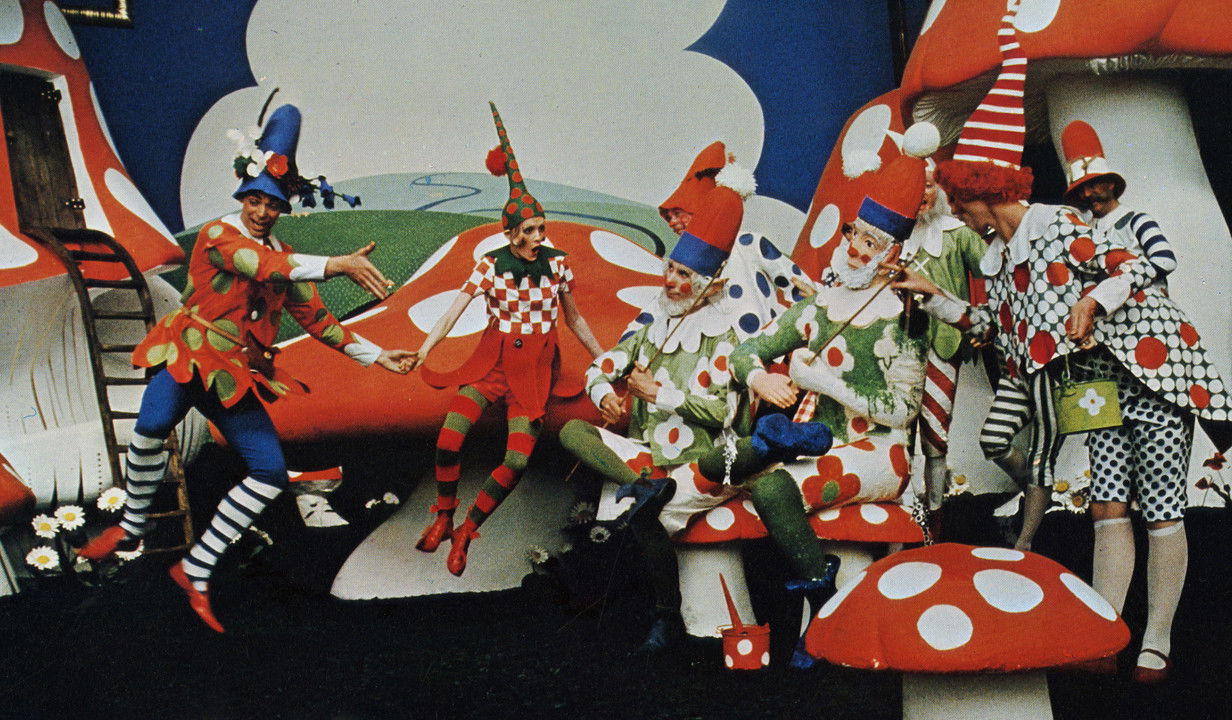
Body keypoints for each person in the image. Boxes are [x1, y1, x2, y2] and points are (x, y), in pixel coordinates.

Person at [889, 10, 1232, 683]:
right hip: (1090, 386)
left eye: (961, 202)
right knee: (1107, 506)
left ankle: (1156, 639)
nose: (957, 213)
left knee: (1160, 507)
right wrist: (929, 293)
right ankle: (1105, 631)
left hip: (1152, 373)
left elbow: (1135, 266)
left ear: (985, 190)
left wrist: (1092, 300)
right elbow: (992, 328)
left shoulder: (1062, 224)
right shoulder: (1001, 259)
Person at [77, 104, 417, 632]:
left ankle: (196, 569)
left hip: (232, 373)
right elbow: (259, 265)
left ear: (283, 208)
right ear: (242, 196)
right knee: (149, 427)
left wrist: (378, 356)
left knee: (270, 474)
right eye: (255, 200)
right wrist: (337, 264)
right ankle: (131, 526)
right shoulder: (219, 236)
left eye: (272, 204)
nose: (262, 211)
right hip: (190, 352)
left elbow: (318, 320)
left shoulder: (283, 252)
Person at [727, 154, 930, 668]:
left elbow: (903, 410)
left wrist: (824, 382)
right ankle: (824, 595)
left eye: (871, 243)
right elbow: (746, 350)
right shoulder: (820, 305)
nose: (856, 248)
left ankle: (825, 610)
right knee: (763, 484)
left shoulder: (905, 316)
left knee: (774, 488)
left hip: (879, 451)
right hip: (826, 446)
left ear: (893, 253)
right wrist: (761, 377)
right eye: (854, 234)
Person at [413, 103, 605, 577]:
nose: (539, 236)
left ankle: (467, 531)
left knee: (517, 460)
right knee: (449, 439)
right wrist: (423, 351)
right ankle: (443, 515)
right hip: (494, 363)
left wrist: (605, 358)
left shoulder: (557, 265)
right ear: (511, 233)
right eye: (530, 230)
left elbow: (575, 319)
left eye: (542, 228)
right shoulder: (490, 266)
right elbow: (453, 311)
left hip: (535, 373)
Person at [560, 187, 748, 653]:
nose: (671, 281)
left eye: (684, 275)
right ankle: (641, 486)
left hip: (700, 459)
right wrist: (605, 394)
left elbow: (725, 412)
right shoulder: (651, 328)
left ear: (710, 285)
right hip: (649, 458)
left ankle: (667, 615)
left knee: (646, 518)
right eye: (671, 269)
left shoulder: (724, 337)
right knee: (572, 431)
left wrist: (659, 394)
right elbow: (601, 367)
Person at [897, 130, 988, 529]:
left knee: (935, 436)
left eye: (929, 186)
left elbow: (996, 271)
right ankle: (901, 518)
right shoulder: (890, 237)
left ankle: (934, 518)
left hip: (943, 345)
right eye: (915, 186)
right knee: (898, 433)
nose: (922, 194)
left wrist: (983, 320)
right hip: (898, 346)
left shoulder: (958, 233)